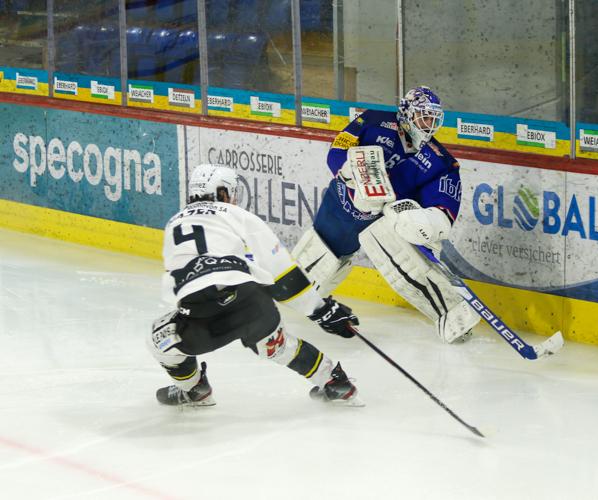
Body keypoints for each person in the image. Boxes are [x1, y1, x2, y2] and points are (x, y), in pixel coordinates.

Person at [147, 164, 362, 407]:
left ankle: (194, 390)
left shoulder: (173, 223)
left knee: (159, 339)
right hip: (248, 299)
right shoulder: (238, 215)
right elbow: (281, 271)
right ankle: (334, 381)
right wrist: (321, 311)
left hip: (201, 311)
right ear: (223, 192)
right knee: (274, 345)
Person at [292, 86, 480, 344]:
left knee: (405, 262)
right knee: (319, 254)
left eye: (433, 119)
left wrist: (426, 223)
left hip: (386, 219)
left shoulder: (440, 162)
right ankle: (297, 292)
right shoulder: (371, 121)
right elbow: (338, 149)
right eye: (424, 117)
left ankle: (453, 314)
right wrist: (347, 172)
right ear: (406, 112)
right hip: (345, 203)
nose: (429, 125)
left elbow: (443, 206)